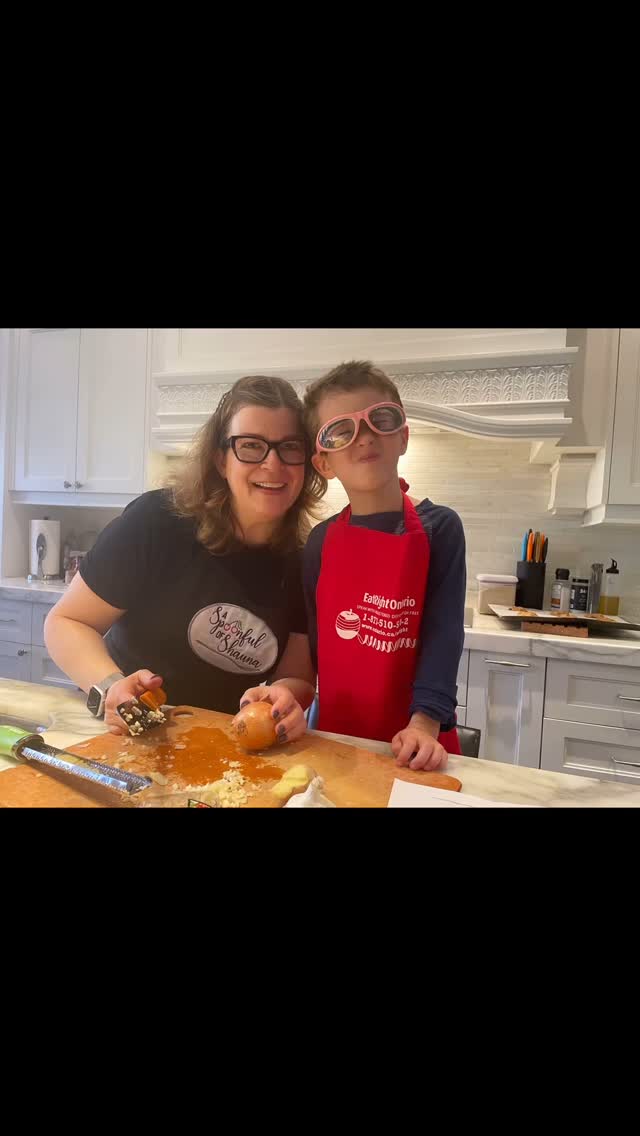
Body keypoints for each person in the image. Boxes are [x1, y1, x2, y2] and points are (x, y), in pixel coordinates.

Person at [45, 376, 323, 739]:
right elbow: (67, 622)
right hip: (121, 733)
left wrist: (283, 696)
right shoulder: (157, 522)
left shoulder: (304, 560)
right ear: (220, 459)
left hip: (222, 748)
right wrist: (111, 686)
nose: (273, 464)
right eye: (251, 446)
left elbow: (297, 676)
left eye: (290, 447)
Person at [302, 360, 466, 772]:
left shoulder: (440, 528)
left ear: (403, 437)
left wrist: (425, 724)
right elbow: (311, 645)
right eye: (341, 430)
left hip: (417, 744)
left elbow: (443, 633)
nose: (365, 437)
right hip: (337, 737)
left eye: (380, 419)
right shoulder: (319, 542)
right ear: (323, 463)